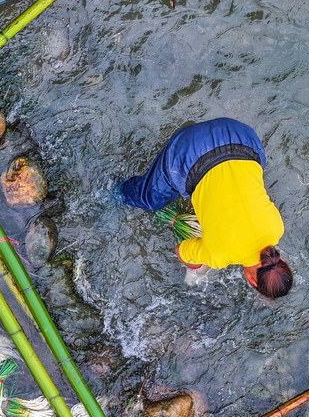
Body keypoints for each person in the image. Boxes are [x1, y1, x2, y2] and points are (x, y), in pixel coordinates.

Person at [118, 117, 293, 299]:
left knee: (255, 169)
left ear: (282, 260)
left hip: (241, 135)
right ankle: (115, 192)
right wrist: (196, 265)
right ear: (253, 282)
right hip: (190, 153)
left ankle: (193, 132)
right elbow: (181, 251)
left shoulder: (277, 228)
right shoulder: (219, 254)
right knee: (149, 200)